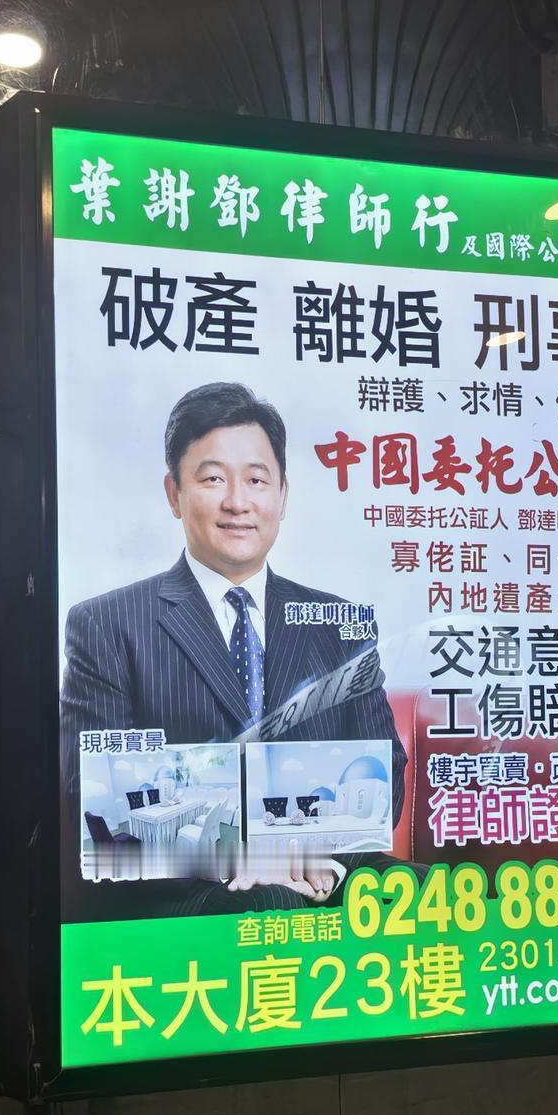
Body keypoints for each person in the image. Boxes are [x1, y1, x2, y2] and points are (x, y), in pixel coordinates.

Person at [61, 378, 406, 905]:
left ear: (283, 496)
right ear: (174, 494)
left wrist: (322, 865)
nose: (238, 502)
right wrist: (239, 855)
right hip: (188, 894)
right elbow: (91, 795)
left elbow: (387, 779)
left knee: (451, 894)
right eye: (214, 478)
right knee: (267, 903)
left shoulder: (340, 624)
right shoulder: (107, 625)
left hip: (327, 876)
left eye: (257, 480)